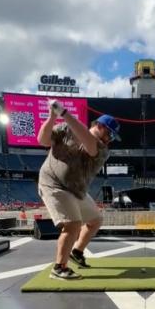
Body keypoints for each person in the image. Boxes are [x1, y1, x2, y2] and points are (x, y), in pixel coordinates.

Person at [36, 101, 119, 280]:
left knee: (95, 220)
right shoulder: (65, 128)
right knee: (72, 225)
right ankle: (59, 267)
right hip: (54, 184)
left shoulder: (103, 150)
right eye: (110, 134)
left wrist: (64, 113)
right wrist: (52, 117)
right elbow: (42, 140)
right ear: (99, 126)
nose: (110, 139)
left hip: (76, 189)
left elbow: (89, 144)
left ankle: (77, 252)